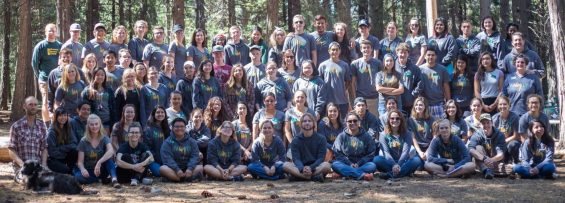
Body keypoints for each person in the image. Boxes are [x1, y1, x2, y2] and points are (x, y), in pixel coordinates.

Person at [74, 114, 120, 188]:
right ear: (88, 126)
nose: (94, 126)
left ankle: (114, 180)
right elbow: (80, 162)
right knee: (78, 177)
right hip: (90, 170)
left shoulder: (104, 137)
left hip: (101, 168)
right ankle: (99, 180)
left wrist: (99, 162)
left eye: (96, 124)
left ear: (100, 125)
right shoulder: (83, 141)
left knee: (109, 161)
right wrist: (83, 170)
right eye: (91, 124)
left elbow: (111, 151)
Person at [9, 96, 48, 182]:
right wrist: (23, 165)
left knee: (48, 180)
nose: (33, 107)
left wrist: (44, 164)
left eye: (35, 105)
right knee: (27, 181)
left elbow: (44, 148)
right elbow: (11, 150)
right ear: (24, 106)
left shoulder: (42, 126)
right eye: (30, 104)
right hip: (22, 167)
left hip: (37, 166)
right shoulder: (16, 126)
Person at [374, 110, 422, 179]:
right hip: (389, 162)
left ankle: (391, 174)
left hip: (403, 162)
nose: (395, 120)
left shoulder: (408, 134)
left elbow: (405, 152)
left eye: (397, 118)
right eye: (392, 118)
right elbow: (386, 153)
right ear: (388, 120)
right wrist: (394, 164)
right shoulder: (383, 134)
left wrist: (398, 164)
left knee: (417, 160)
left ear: (401, 120)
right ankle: (402, 172)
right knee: (376, 159)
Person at [283, 113, 331, 182]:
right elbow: (296, 159)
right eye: (304, 121)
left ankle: (299, 177)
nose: (307, 123)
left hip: (316, 167)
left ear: (313, 123)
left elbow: (321, 158)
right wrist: (302, 169)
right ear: (301, 124)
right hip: (300, 167)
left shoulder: (321, 139)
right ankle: (312, 177)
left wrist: (311, 168)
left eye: (309, 121)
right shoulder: (296, 140)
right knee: (285, 165)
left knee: (327, 166)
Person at [331, 112, 377, 181]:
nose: (352, 123)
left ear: (359, 122)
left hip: (362, 165)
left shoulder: (366, 136)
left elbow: (371, 153)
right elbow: (338, 154)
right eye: (349, 121)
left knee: (372, 166)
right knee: (335, 164)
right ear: (346, 123)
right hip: (346, 164)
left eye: (355, 121)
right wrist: (349, 164)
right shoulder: (341, 136)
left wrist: (359, 163)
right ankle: (361, 175)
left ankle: (346, 173)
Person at [32, 23, 62, 125]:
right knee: (45, 101)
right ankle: (47, 125)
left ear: (56, 33)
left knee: (56, 101)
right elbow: (35, 64)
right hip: (44, 79)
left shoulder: (60, 46)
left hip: (57, 79)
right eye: (49, 30)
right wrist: (40, 76)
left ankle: (55, 123)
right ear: (45, 32)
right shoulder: (40, 46)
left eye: (53, 30)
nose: (51, 32)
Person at [160, 118, 204, 182]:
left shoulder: (192, 141)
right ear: (172, 128)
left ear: (185, 128)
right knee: (162, 169)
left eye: (182, 126)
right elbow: (167, 159)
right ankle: (186, 179)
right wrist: (177, 169)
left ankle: (176, 179)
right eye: (177, 126)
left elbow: (195, 156)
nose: (179, 128)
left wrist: (190, 168)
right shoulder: (167, 142)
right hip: (173, 169)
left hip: (188, 169)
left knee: (200, 167)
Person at [319, 42, 353, 121]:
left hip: (342, 100)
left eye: (336, 50)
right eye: (333, 50)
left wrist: (343, 89)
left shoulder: (345, 65)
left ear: (339, 51)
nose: (335, 52)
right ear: (329, 51)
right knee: (328, 123)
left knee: (342, 122)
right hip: (327, 100)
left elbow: (348, 80)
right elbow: (319, 82)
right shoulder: (323, 65)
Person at [468, 113, 506, 179]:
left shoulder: (500, 135)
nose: (486, 125)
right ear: (480, 125)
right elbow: (471, 148)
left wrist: (490, 160)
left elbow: (501, 154)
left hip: (495, 160)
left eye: (488, 122)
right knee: (478, 147)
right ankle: (487, 170)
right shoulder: (477, 134)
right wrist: (484, 158)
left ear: (492, 123)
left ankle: (487, 170)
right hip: (482, 159)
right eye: (483, 123)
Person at [351, 40, 383, 115]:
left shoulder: (377, 63)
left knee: (374, 120)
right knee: (360, 120)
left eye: (368, 47)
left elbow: (381, 80)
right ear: (361, 49)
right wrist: (355, 97)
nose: (366, 50)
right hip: (360, 98)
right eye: (364, 48)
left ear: (371, 49)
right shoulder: (355, 64)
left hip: (374, 98)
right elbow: (352, 83)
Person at [419, 49, 450, 120]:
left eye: (433, 55)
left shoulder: (442, 69)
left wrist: (448, 102)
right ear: (425, 56)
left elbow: (446, 86)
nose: (430, 57)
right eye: (428, 55)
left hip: (439, 104)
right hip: (425, 104)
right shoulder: (420, 70)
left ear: (436, 57)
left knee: (440, 126)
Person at [47, 108, 78, 174]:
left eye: (65, 115)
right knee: (65, 170)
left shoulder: (68, 128)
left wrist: (62, 148)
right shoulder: (51, 132)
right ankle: (68, 170)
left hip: (64, 155)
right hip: (54, 159)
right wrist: (66, 149)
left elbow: (74, 143)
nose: (63, 117)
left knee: (74, 151)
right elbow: (52, 152)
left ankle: (71, 170)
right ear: (56, 117)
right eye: (60, 115)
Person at [492, 95, 521, 165]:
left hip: (511, 142)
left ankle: (515, 161)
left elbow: (516, 136)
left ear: (509, 105)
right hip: (499, 143)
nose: (502, 106)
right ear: (498, 106)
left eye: (505, 104)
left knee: (513, 145)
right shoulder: (494, 118)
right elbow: (492, 134)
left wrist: (504, 141)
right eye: (500, 104)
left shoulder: (515, 117)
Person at [395, 43, 422, 115]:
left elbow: (420, 83)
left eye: (405, 53)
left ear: (408, 54)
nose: (403, 55)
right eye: (401, 52)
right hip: (395, 103)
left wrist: (413, 95)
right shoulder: (392, 66)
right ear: (397, 53)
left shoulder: (414, 68)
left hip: (409, 103)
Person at [143, 106, 170, 176]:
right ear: (153, 114)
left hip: (166, 159)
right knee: (160, 173)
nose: (160, 114)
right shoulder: (148, 129)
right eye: (158, 112)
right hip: (153, 160)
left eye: (162, 112)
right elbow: (147, 147)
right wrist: (157, 158)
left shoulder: (167, 128)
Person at [408, 97, 435, 161]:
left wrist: (428, 151)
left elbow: (434, 137)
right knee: (417, 161)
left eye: (420, 105)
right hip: (417, 147)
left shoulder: (432, 119)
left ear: (425, 106)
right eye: (416, 105)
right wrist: (420, 152)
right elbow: (413, 138)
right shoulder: (410, 120)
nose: (418, 107)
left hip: (429, 146)